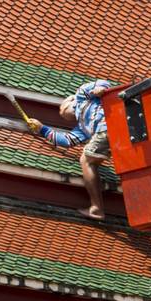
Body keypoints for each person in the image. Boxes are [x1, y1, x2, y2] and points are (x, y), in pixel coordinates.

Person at [21, 78, 114, 219]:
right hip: (108, 136)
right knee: (87, 160)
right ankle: (97, 207)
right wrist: (42, 129)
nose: (62, 111)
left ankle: (96, 208)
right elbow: (66, 141)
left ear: (71, 101)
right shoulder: (82, 127)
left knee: (86, 159)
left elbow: (105, 84)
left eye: (62, 108)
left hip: (108, 125)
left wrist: (99, 90)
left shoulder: (82, 95)